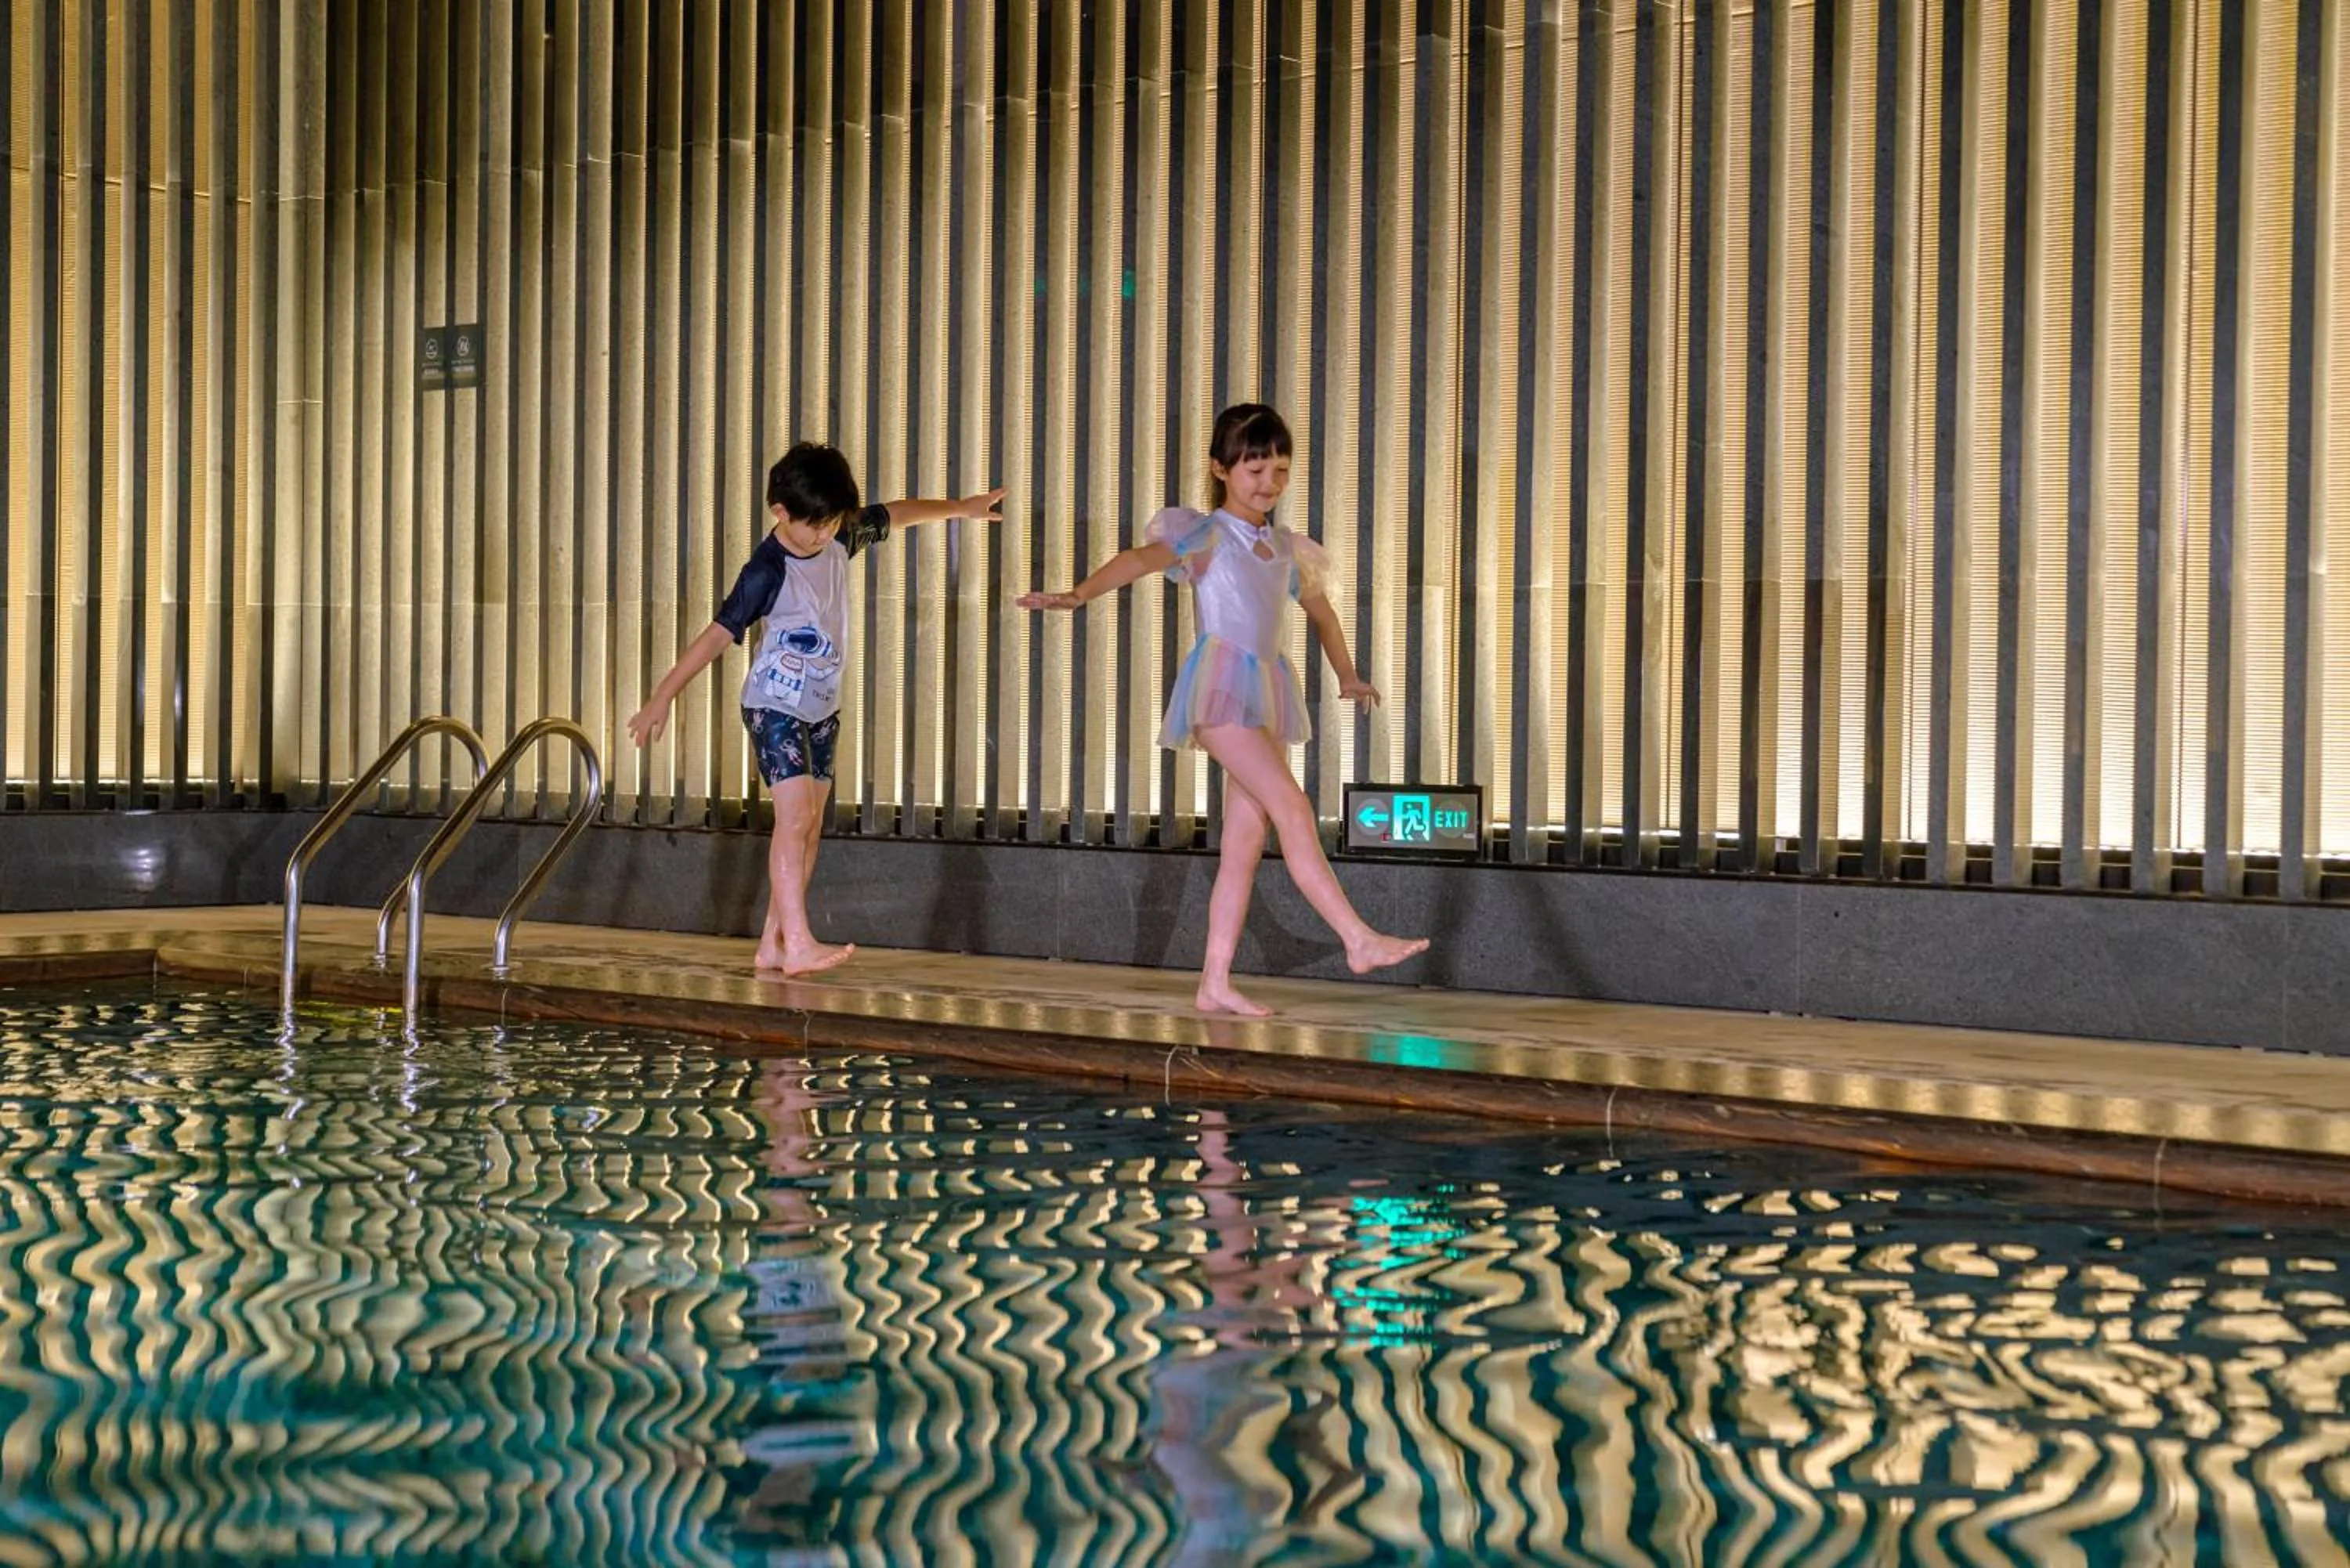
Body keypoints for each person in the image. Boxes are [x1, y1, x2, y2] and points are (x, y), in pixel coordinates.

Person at [1020, 403, 1426, 1015]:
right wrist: (1078, 595)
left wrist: (1348, 676)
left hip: (1265, 691)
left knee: (1245, 840)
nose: (1269, 484)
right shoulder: (1205, 534)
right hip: (1218, 691)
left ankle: (1214, 981)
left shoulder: (1287, 547)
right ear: (1221, 469)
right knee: (1291, 805)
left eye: (1280, 471)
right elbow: (1136, 560)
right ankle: (1357, 937)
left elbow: (1320, 613)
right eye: (1255, 470)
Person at [628, 443, 1003, 975]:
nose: (827, 533)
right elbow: (716, 636)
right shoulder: (766, 570)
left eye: (833, 523)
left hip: (822, 708)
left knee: (810, 827)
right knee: (795, 818)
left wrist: (961, 508)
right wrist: (661, 696)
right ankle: (800, 942)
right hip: (774, 706)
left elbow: (895, 514)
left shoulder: (838, 537)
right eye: (817, 525)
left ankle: (775, 944)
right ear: (781, 512)